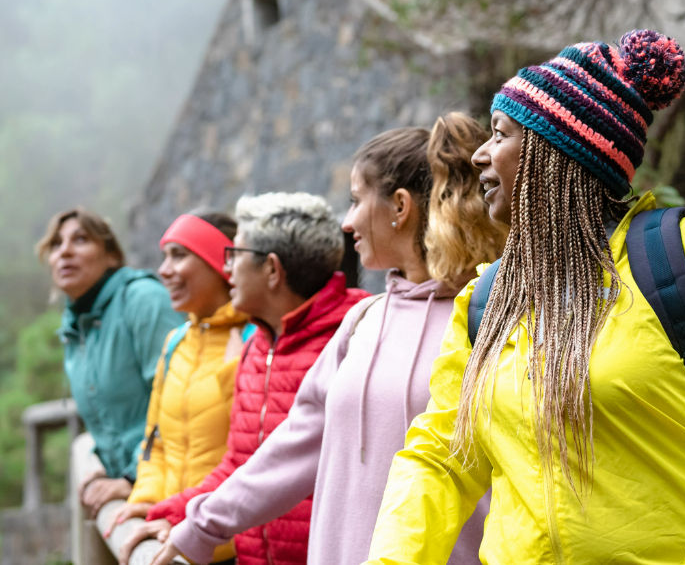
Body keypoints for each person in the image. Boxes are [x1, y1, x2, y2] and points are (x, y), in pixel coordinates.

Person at [366, 30, 685, 563]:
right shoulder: (489, 300)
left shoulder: (677, 260)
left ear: (555, 151)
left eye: (501, 134)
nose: (482, 155)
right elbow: (441, 456)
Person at [149, 114, 508, 565]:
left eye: (357, 200)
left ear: (399, 207)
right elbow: (289, 450)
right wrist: (198, 528)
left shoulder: (490, 321)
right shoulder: (362, 321)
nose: (348, 220)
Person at [135, 192, 369, 565]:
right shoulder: (258, 346)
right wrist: (174, 513)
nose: (227, 269)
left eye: (235, 255)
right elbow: (240, 465)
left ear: (272, 270)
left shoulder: (357, 338)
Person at [106, 210, 254, 564]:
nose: (164, 270)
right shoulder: (176, 342)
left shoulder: (257, 340)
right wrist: (147, 501)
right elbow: (155, 443)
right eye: (164, 256)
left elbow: (254, 452)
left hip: (228, 547)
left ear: (220, 264)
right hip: (173, 538)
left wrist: (192, 527)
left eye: (179, 255)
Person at [37, 207, 184, 517]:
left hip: (175, 489)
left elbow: (179, 400)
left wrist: (134, 477)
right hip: (140, 491)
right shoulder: (76, 326)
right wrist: (107, 465)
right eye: (56, 244)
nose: (65, 251)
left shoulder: (142, 300)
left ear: (111, 256)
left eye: (80, 240)